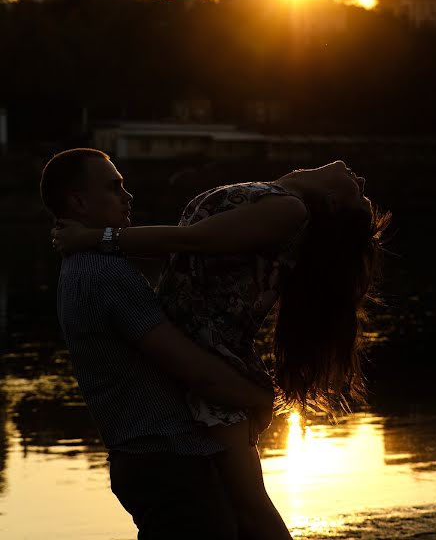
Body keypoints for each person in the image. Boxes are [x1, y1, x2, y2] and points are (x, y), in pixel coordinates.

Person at [53, 160, 390, 540]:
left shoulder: (289, 209)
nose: (359, 177)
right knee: (241, 516)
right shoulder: (273, 195)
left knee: (253, 514)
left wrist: (96, 238)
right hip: (201, 372)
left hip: (216, 362)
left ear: (330, 202)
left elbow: (190, 241)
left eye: (358, 193)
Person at [40, 148, 276, 540]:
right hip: (166, 462)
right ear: (78, 201)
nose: (127, 196)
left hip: (151, 459)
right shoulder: (104, 273)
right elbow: (193, 369)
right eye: (114, 188)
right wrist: (259, 398)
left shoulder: (84, 264)